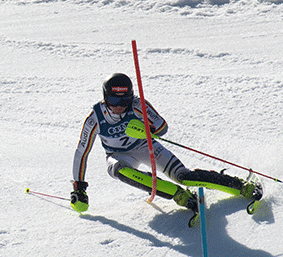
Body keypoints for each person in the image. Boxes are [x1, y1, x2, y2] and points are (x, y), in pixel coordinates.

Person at [70, 73, 262, 225]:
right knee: (119, 171)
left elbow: (162, 127)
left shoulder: (137, 105)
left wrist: (147, 128)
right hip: (118, 155)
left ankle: (242, 186)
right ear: (105, 98)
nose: (119, 106)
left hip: (144, 146)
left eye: (124, 100)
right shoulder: (95, 119)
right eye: (114, 100)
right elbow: (82, 152)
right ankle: (182, 197)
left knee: (183, 176)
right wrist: (79, 187)